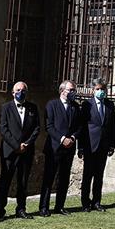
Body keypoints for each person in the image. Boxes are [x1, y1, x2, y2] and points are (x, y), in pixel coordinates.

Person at [0, 80, 40, 220]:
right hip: (10, 151)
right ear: (13, 92)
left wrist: (26, 144)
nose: (20, 92)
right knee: (5, 181)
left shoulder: (33, 108)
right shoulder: (6, 107)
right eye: (18, 90)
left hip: (26, 151)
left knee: (23, 182)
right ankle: (0, 211)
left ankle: (21, 209)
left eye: (23, 90)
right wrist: (17, 145)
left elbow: (36, 128)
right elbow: (3, 129)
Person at [39, 80, 81, 216]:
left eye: (74, 90)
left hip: (69, 148)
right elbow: (49, 126)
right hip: (54, 147)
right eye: (71, 90)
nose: (73, 92)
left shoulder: (75, 106)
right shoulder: (52, 105)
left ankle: (60, 206)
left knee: (64, 178)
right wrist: (62, 139)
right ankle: (44, 207)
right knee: (49, 178)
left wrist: (73, 138)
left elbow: (79, 127)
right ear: (62, 91)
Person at [80, 78, 115, 211]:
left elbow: (112, 126)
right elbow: (82, 127)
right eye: (98, 89)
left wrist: (112, 144)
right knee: (88, 175)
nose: (100, 91)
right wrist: (81, 147)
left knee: (99, 175)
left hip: (104, 145)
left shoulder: (109, 105)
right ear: (92, 90)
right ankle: (85, 203)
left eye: (102, 89)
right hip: (90, 144)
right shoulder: (86, 105)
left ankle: (96, 202)